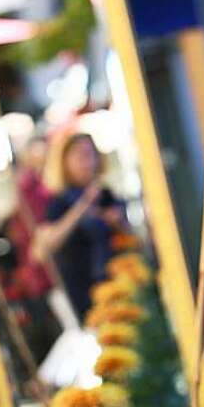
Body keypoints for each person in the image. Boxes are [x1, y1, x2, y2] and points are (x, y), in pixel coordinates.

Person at [33, 132, 127, 319]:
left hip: (115, 286)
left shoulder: (105, 195)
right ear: (64, 162)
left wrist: (117, 221)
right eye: (80, 156)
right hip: (83, 295)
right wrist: (83, 206)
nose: (88, 162)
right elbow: (41, 251)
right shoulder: (57, 203)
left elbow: (127, 237)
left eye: (90, 154)